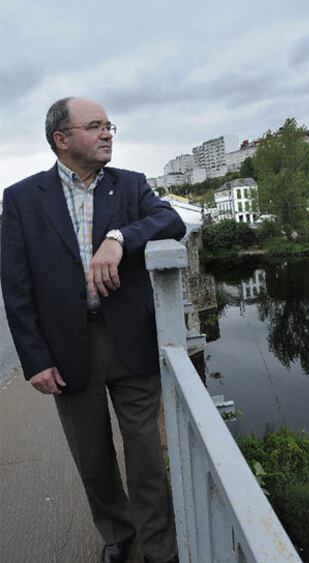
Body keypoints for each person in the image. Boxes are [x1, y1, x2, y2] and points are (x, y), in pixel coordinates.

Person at [0, 97, 186, 563]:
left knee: (145, 451)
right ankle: (117, 534)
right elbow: (16, 287)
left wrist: (119, 239)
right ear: (62, 139)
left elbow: (172, 221)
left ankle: (159, 546)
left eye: (110, 126)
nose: (107, 134)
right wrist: (35, 359)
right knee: (92, 456)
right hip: (67, 347)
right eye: (95, 126)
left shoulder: (131, 186)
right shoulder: (22, 199)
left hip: (129, 337)